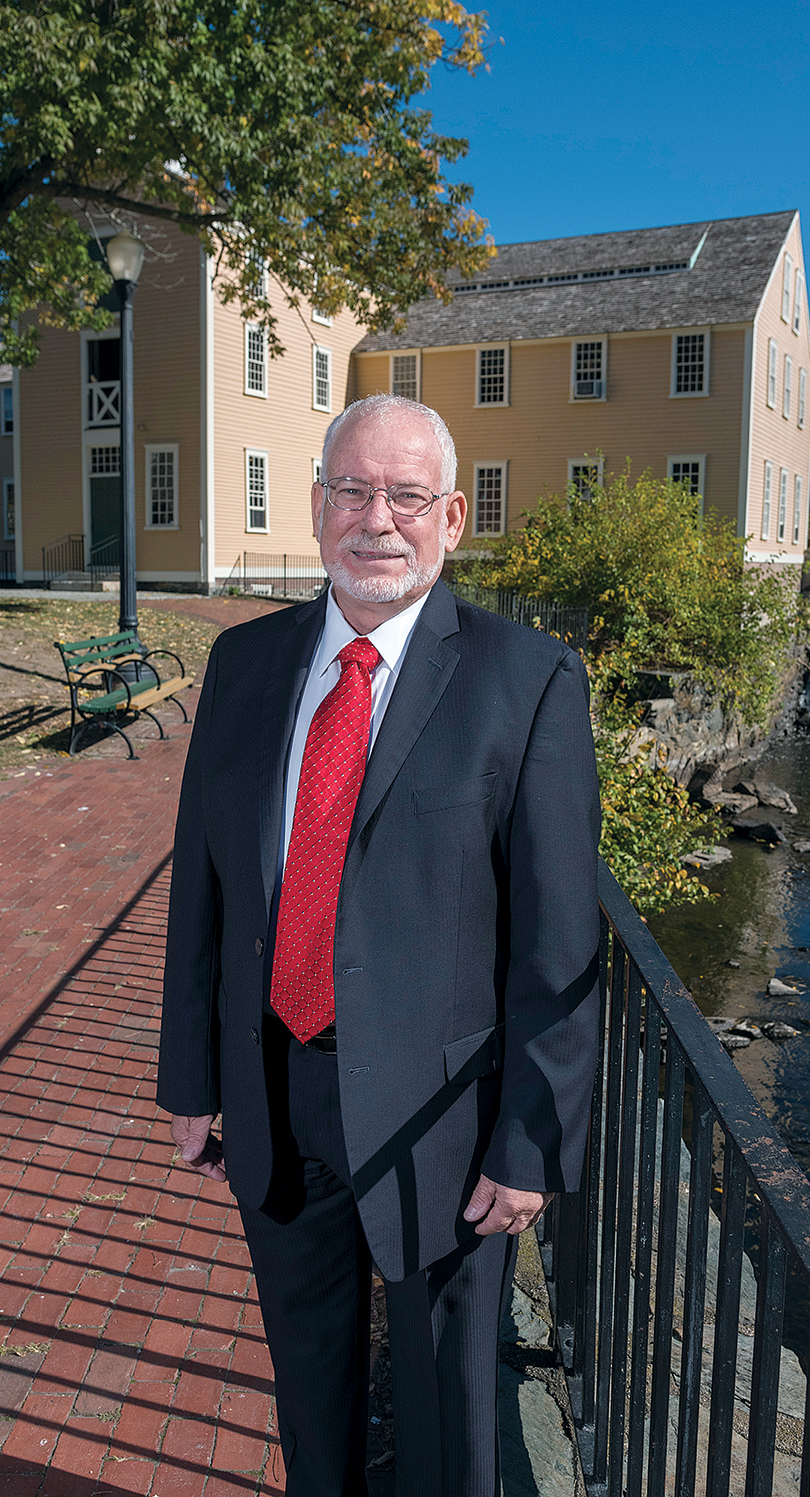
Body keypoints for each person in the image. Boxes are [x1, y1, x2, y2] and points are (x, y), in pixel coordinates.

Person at [157, 394, 601, 1497]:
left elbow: (556, 936)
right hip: (277, 1095)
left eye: (406, 496)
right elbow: (203, 888)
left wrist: (531, 1140)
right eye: (352, 490)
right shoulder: (246, 667)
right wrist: (191, 1079)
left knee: (451, 1425)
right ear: (316, 508)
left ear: (451, 519)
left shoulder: (527, 679)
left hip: (441, 1125)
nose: (376, 519)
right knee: (310, 1404)